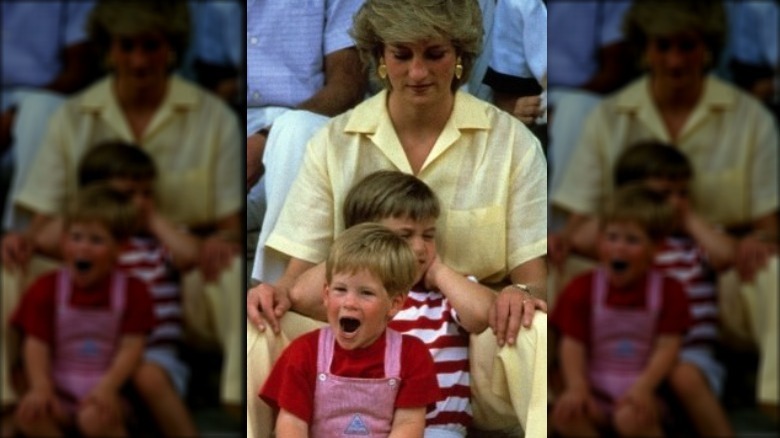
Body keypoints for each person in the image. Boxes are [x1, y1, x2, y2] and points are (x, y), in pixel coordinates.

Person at [248, 0, 548, 435]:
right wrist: (272, 292)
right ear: (380, 58)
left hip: (473, 347)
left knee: (536, 326)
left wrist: (520, 293)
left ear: (460, 56)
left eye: (434, 54)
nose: (418, 72)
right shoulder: (333, 142)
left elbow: (533, 278)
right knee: (261, 324)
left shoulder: (513, 143)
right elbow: (299, 285)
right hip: (354, 347)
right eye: (402, 54)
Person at [0, 0, 243, 408]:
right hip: (86, 269)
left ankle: (239, 401)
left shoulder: (214, 117)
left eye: (151, 46)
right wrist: (25, 240)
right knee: (7, 262)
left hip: (175, 276)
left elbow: (231, 224)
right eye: (126, 46)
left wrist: (223, 239)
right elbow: (42, 223)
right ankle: (4, 395)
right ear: (108, 51)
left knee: (235, 268)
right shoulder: (73, 116)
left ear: (171, 49)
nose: (139, 59)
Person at [550, 0, 779, 411]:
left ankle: (773, 399)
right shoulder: (609, 116)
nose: (675, 61)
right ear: (645, 51)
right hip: (620, 265)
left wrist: (757, 239)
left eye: (687, 46)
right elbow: (579, 227)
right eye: (663, 46)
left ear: (706, 49)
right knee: (548, 258)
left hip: (712, 271)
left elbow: (768, 224)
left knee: (773, 267)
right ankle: (554, 392)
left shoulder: (750, 118)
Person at [259, 223, 441, 436]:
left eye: (366, 293)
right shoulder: (304, 352)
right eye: (340, 289)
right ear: (326, 294)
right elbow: (291, 424)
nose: (349, 302)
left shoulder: (412, 355)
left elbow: (408, 424)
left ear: (394, 304)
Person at [10, 185, 155, 437]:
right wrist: (41, 387)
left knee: (94, 420)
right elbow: (36, 344)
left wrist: (107, 388)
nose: (83, 248)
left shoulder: (134, 291)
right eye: (75, 237)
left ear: (119, 247)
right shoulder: (47, 287)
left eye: (96, 240)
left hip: (109, 391)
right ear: (63, 240)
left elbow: (132, 347)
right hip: (57, 391)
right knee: (29, 416)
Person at [75, 141, 199, 436]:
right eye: (128, 194)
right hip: (100, 361)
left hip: (156, 356)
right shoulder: (88, 248)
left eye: (147, 193)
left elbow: (191, 256)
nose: (140, 202)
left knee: (148, 375)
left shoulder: (157, 246)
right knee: (98, 413)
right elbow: (51, 237)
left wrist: (153, 220)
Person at [550, 184, 692, 437]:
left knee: (631, 420)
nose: (619, 248)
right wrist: (577, 387)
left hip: (644, 392)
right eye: (612, 237)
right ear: (599, 239)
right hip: (593, 391)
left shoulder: (669, 291)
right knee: (566, 417)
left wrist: (644, 389)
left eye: (632, 240)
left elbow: (668, 347)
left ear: (656, 247)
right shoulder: (582, 288)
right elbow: (572, 344)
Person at [246, 0, 368, 286]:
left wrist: (266, 138)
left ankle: (281, 293)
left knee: (294, 133)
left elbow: (347, 84)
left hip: (302, 118)